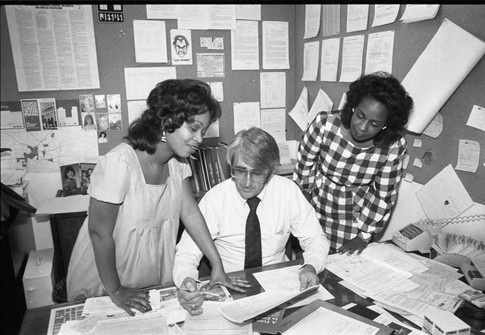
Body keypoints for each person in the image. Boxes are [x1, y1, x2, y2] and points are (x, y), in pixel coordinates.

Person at [67, 79, 245, 316]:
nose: (200, 139)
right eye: (193, 128)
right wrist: (117, 290)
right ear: (166, 122)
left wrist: (217, 264)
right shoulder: (119, 163)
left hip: (148, 275)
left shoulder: (178, 164)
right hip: (107, 278)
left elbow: (190, 213)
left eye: (204, 131)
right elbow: (99, 233)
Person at [173, 127, 329, 315]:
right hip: (229, 285)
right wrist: (187, 280)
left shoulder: (287, 191)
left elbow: (315, 238)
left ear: (271, 171)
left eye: (256, 173)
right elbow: (186, 253)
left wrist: (311, 265)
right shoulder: (215, 199)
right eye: (240, 171)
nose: (246, 182)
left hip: (278, 285)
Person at [293, 72, 413, 256]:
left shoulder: (393, 146)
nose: (362, 127)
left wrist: (364, 235)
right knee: (311, 259)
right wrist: (303, 204)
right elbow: (304, 166)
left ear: (386, 125)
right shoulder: (324, 125)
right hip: (314, 205)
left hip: (355, 219)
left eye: (374, 123)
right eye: (360, 115)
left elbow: (383, 195)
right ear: (352, 107)